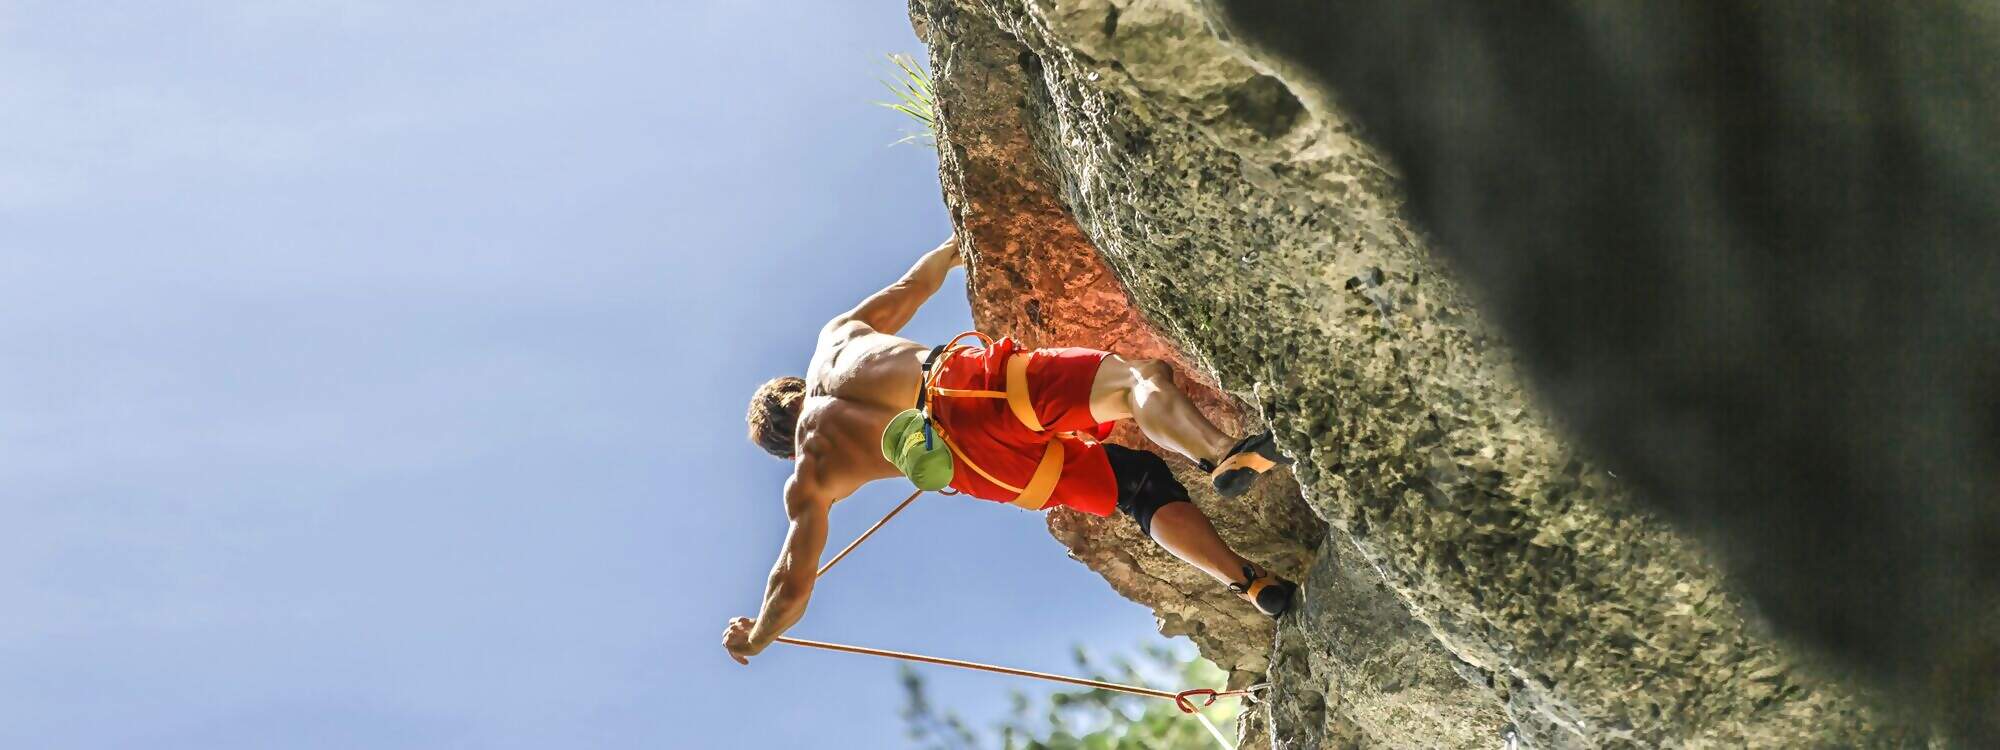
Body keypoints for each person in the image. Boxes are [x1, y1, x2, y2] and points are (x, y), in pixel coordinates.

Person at [723, 236, 1294, 665]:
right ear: (793, 386)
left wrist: (757, 636)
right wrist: (953, 247)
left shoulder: (809, 477)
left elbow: (792, 584)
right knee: (1132, 381)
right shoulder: (833, 341)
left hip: (982, 469)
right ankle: (1220, 452)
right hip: (966, 386)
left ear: (783, 446)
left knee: (1135, 485)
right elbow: (912, 287)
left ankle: (1246, 582)